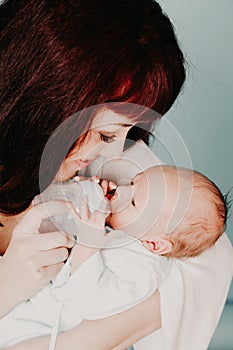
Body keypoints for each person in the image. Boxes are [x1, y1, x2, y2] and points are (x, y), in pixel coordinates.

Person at [0, 0, 232, 349]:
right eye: (107, 134)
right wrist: (8, 285)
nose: (115, 152)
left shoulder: (116, 167)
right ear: (44, 106)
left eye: (130, 131)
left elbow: (208, 255)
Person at [0, 164, 228, 348]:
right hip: (23, 304)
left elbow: (87, 300)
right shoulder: (122, 233)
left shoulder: (142, 271)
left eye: (133, 201)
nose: (122, 191)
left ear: (154, 244)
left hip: (30, 331)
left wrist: (91, 237)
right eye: (131, 183)